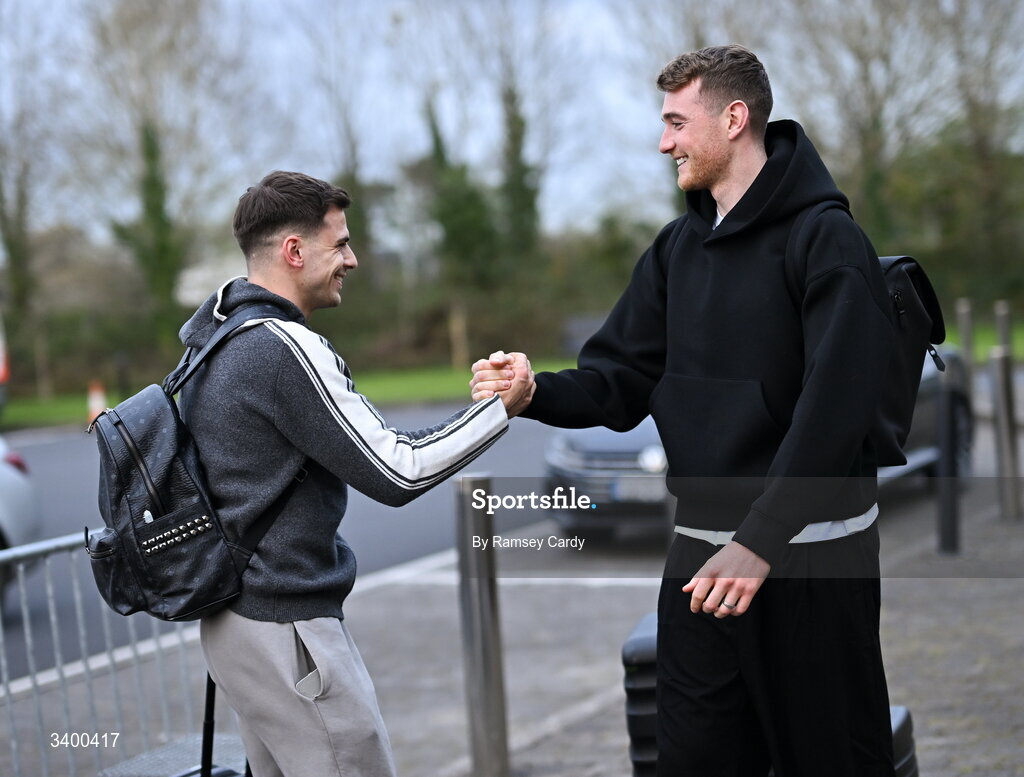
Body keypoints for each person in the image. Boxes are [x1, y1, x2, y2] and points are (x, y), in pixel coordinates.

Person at [471, 45, 897, 776]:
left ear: (735, 119)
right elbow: (621, 377)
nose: (663, 141)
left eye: (676, 121)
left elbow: (838, 407)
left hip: (814, 565)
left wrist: (760, 540)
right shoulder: (676, 249)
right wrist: (534, 391)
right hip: (700, 564)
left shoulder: (827, 240)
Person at [180, 170, 533, 777]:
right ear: (295, 251)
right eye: (339, 244)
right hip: (287, 632)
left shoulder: (211, 337)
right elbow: (397, 472)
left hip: (234, 625)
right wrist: (498, 409)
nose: (354, 259)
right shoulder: (281, 345)